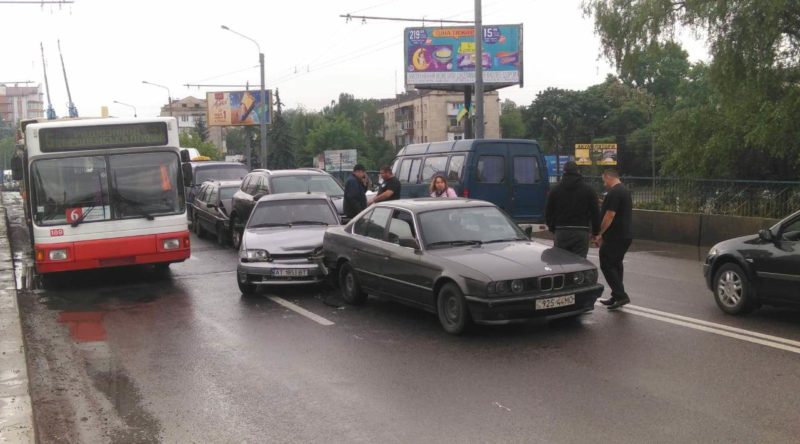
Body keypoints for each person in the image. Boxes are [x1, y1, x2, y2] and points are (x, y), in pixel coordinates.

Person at [595, 168, 633, 310]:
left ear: (608, 177)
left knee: (606, 263)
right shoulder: (623, 190)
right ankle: (617, 295)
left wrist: (599, 233)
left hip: (615, 236)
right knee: (616, 264)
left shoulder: (614, 192)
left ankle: (621, 295)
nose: (604, 183)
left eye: (603, 179)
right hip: (625, 234)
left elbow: (609, 215)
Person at [544, 161, 600, 258]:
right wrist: (595, 232)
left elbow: (548, 211)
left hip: (561, 230)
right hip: (581, 231)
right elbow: (595, 212)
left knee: (560, 262)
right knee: (579, 263)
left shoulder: (555, 190)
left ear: (564, 172)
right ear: (578, 171)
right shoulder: (589, 190)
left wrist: (552, 227)